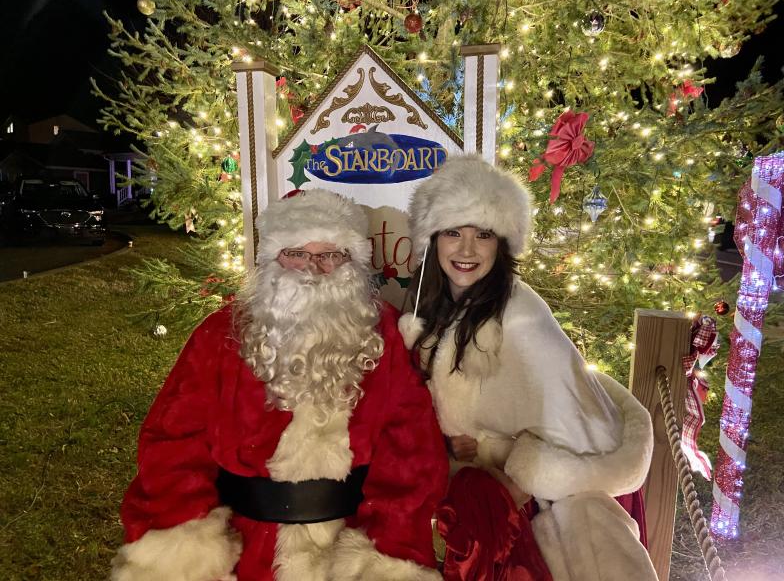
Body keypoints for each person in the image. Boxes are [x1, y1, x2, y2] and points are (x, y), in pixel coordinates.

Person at [111, 189, 448, 581]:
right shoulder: (220, 334)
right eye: (296, 253)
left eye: (329, 255)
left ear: (352, 263)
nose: (312, 269)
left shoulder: (384, 334)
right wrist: (188, 546)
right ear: (273, 259)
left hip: (348, 547)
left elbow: (411, 454)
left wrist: (385, 553)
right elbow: (173, 443)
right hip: (242, 548)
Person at [398, 155, 658, 581]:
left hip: (516, 518)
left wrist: (515, 474)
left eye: (483, 234)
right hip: (464, 499)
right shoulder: (436, 306)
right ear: (434, 239)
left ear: (501, 244)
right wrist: (453, 442)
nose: (466, 250)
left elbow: (585, 432)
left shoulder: (520, 317)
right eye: (453, 232)